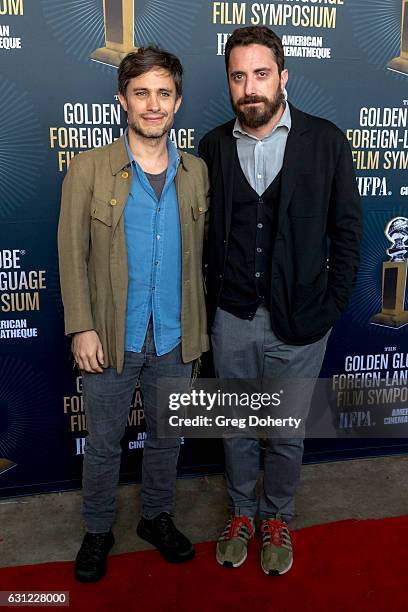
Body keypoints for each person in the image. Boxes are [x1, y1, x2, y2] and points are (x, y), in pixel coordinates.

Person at [198, 26, 362, 575]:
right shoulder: (214, 146)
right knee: (238, 428)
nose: (250, 88)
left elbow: (348, 232)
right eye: (238, 76)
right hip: (232, 317)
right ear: (228, 82)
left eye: (261, 74)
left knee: (287, 432)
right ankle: (241, 512)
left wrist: (332, 304)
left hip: (303, 321)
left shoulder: (327, 141)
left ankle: (278, 517)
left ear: (283, 77)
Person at [58, 46, 209, 582]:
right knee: (103, 444)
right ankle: (98, 529)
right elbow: (71, 253)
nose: (153, 104)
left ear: (178, 103)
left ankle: (156, 518)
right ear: (122, 99)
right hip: (110, 337)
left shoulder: (196, 173)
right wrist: (82, 326)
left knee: (168, 438)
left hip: (175, 335)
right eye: (141, 92)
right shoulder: (89, 168)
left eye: (163, 94)